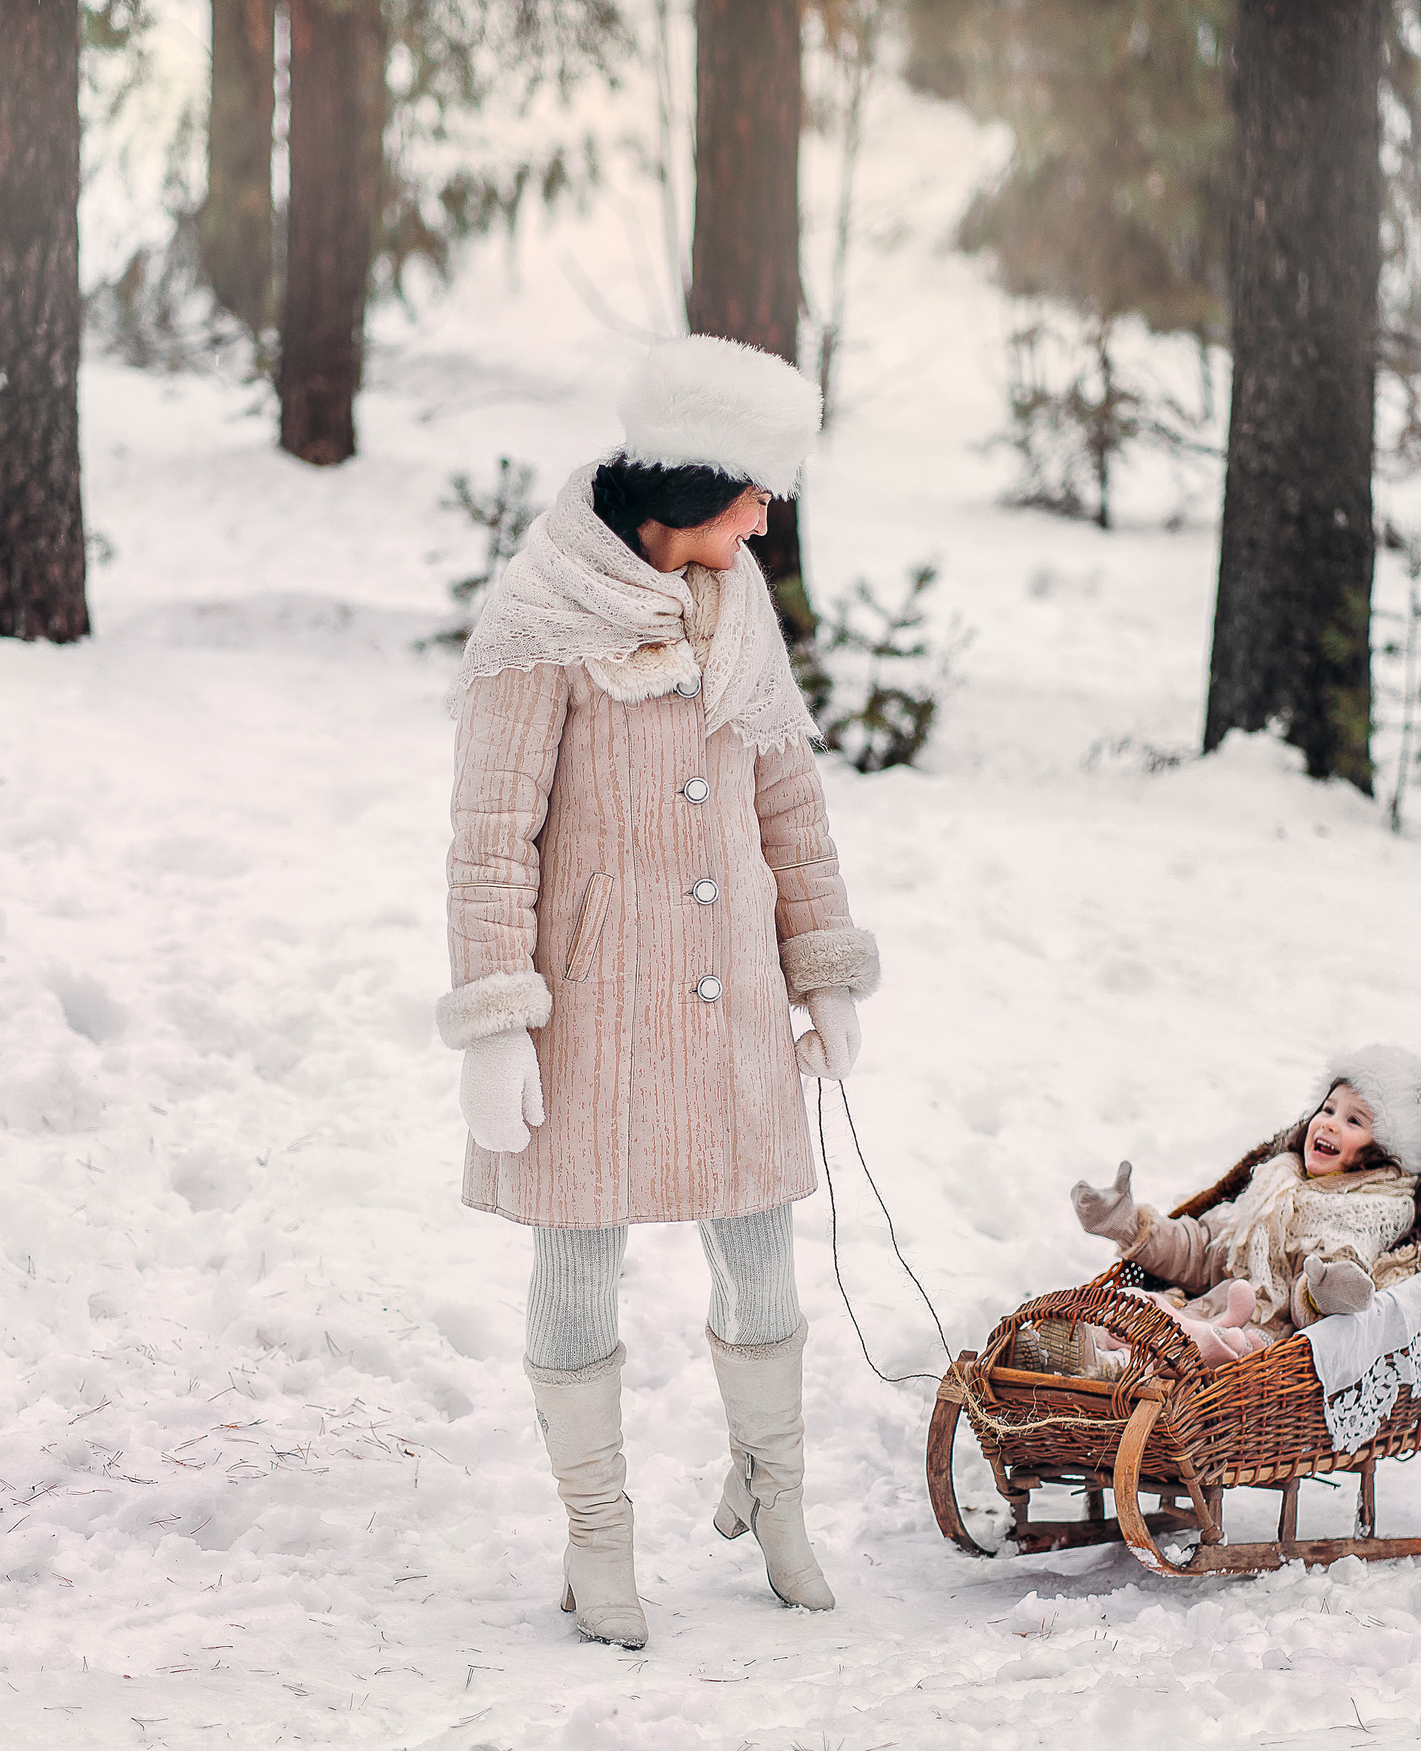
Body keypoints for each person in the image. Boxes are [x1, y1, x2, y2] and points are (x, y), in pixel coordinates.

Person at [436, 336, 879, 1650]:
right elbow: (491, 832)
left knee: (761, 1256)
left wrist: (825, 962)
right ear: (685, 490)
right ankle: (599, 1534)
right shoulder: (539, 621)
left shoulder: (741, 604)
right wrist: (495, 1014)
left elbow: (787, 794)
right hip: (592, 1012)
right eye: (753, 493)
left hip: (731, 998)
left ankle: (774, 1490)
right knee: (579, 1256)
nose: (766, 517)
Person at [1068, 1046, 1421, 1349]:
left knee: (1202, 1345)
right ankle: (1076, 1356)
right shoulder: (1275, 1181)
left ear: (1383, 1151)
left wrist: (1324, 1289)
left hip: (1261, 1349)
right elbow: (1205, 1252)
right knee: (1133, 1306)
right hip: (1207, 1313)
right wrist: (1131, 1226)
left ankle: (1110, 1362)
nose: (1328, 1123)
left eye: (1353, 1120)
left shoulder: (1371, 1209)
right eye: (1328, 1109)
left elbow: (1336, 1284)